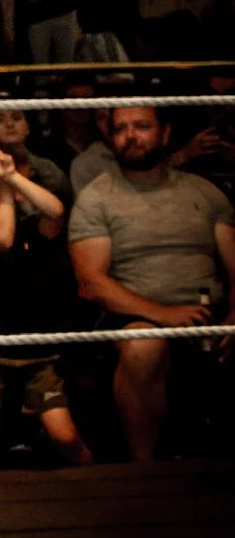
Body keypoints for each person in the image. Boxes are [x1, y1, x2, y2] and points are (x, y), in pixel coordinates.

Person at [69, 104, 235, 462]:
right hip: (133, 317)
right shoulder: (97, 197)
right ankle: (143, 468)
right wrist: (164, 314)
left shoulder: (205, 193)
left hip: (210, 314)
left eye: (141, 126)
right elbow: (91, 283)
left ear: (165, 133)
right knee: (144, 344)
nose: (130, 136)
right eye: (121, 129)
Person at [0, 143, 90, 471]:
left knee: (66, 436)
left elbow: (56, 211)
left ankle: (106, 491)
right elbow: (2, 239)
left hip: (38, 355)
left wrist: (11, 177)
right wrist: (5, 188)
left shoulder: (34, 228)